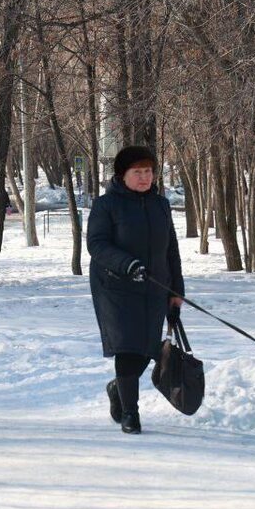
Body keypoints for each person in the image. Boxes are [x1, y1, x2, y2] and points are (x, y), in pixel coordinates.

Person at [87, 146, 185, 435]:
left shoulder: (160, 205)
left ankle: (119, 387)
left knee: (149, 347)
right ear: (122, 174)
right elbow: (97, 245)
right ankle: (130, 412)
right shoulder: (106, 206)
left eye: (148, 171)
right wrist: (127, 264)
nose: (144, 177)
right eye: (137, 172)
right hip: (115, 287)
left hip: (154, 285)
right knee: (128, 346)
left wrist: (176, 290)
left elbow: (171, 250)